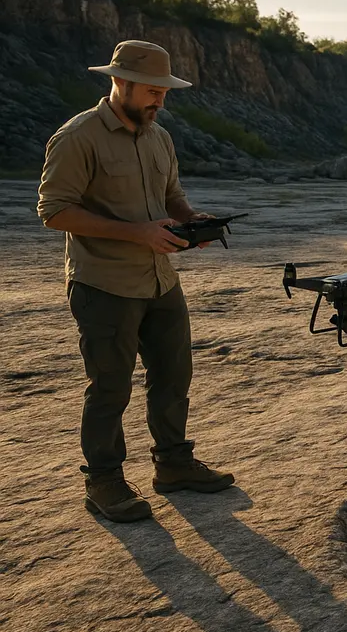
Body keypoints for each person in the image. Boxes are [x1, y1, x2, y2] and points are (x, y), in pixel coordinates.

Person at [37, 40, 235, 523]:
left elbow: (172, 197)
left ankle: (174, 466)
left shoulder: (158, 137)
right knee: (110, 387)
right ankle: (104, 481)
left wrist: (192, 221)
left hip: (160, 280)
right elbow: (53, 210)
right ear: (120, 82)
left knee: (174, 375)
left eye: (164, 92)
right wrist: (137, 234)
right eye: (151, 91)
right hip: (104, 283)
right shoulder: (78, 136)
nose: (159, 101)